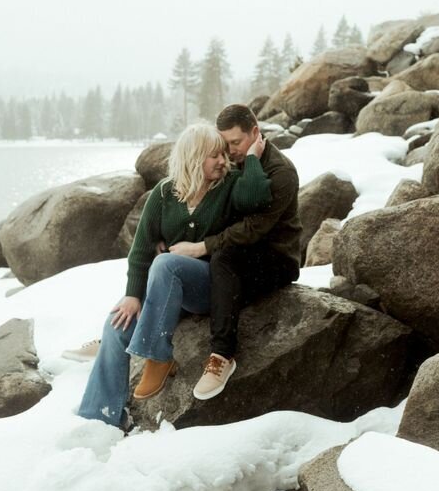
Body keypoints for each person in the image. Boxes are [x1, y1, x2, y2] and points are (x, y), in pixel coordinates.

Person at [72, 123, 269, 428]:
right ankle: (99, 417)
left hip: (210, 287)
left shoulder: (230, 185)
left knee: (164, 264)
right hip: (168, 293)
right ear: (193, 158)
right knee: (116, 324)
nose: (223, 160)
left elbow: (257, 201)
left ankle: (158, 356)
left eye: (223, 154)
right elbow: (140, 250)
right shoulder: (164, 193)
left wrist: (254, 159)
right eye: (214, 155)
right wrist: (133, 296)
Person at [169, 104, 302, 401]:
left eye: (235, 143)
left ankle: (222, 356)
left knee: (223, 257)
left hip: (276, 258)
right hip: (239, 250)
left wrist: (202, 246)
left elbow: (254, 228)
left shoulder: (281, 172)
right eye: (224, 144)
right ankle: (130, 331)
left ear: (255, 133)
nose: (229, 152)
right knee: (172, 264)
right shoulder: (234, 163)